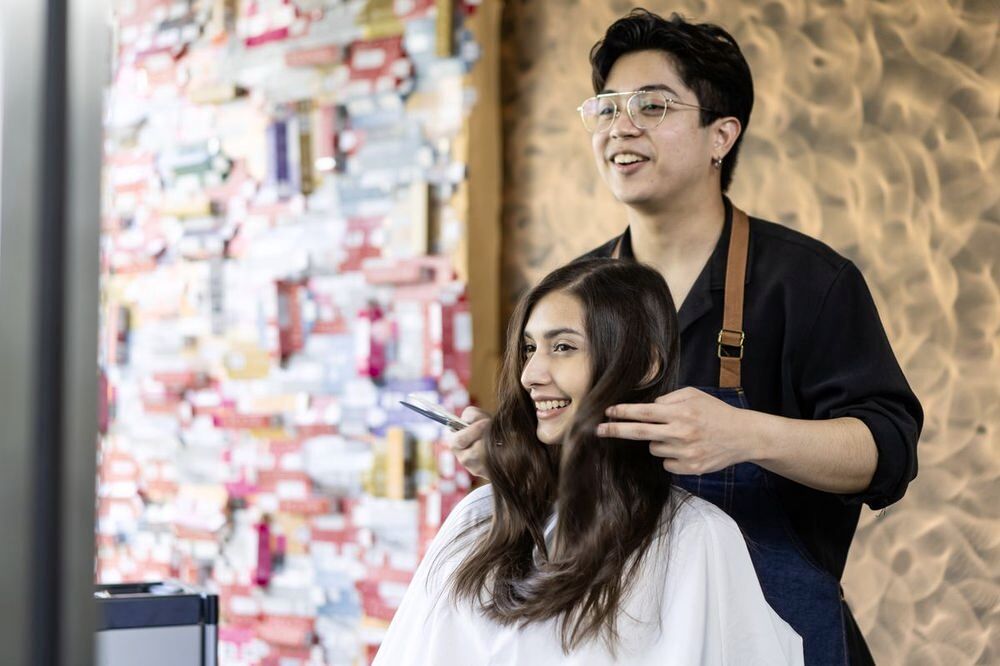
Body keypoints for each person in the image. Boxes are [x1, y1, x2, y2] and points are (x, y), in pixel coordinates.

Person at [449, 10, 923, 666]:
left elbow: (890, 453)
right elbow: (566, 480)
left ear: (720, 135)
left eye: (652, 104)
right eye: (609, 106)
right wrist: (511, 455)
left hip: (777, 638)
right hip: (624, 638)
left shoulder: (808, 283)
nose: (621, 125)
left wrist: (747, 435)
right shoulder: (573, 296)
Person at [375, 258, 803, 665]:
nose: (531, 375)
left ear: (645, 365)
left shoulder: (696, 539)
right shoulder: (479, 519)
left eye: (562, 347)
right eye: (528, 348)